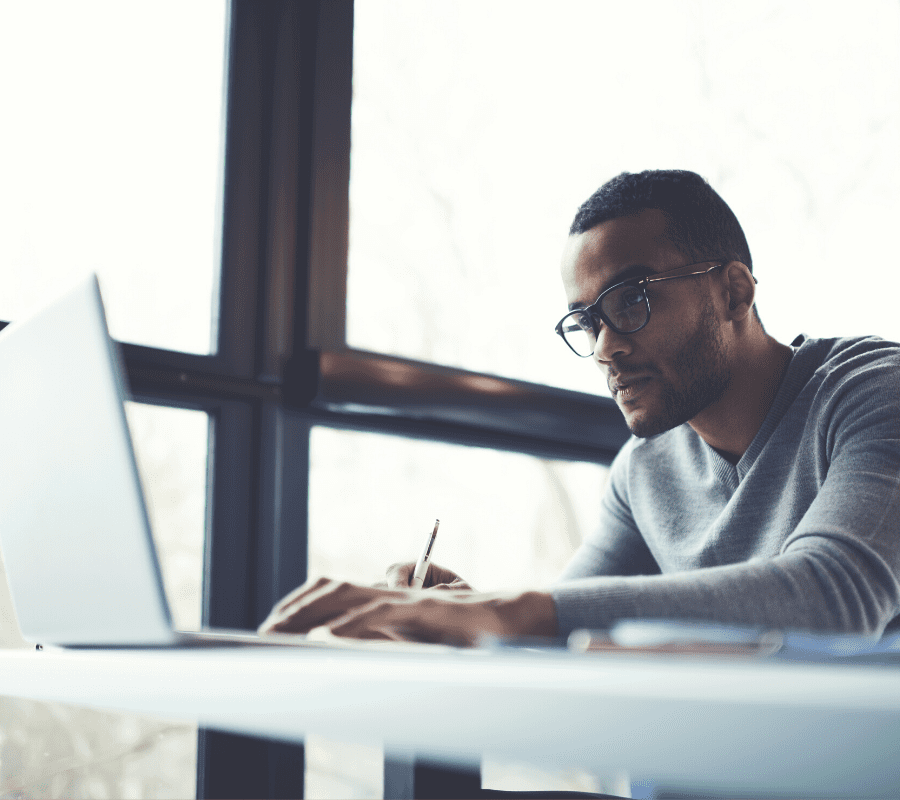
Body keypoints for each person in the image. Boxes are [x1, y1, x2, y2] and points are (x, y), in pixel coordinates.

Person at [259, 169, 900, 646]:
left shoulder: (872, 394)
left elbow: (834, 596)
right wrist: (467, 609)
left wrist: (517, 610)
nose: (604, 349)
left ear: (733, 291)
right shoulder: (644, 470)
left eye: (630, 303)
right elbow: (570, 619)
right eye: (586, 322)